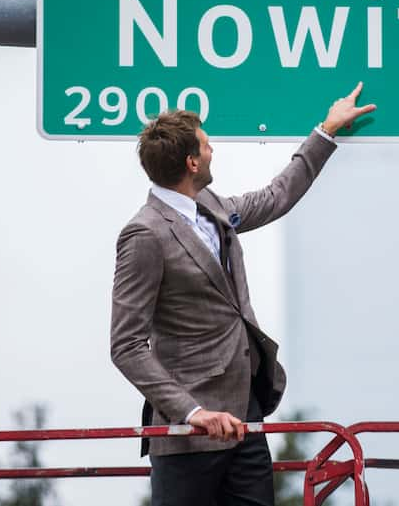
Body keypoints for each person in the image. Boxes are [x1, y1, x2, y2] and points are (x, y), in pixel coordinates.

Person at [111, 82, 375, 506]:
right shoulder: (145, 234)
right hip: (187, 438)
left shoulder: (210, 206)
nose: (214, 151)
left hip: (246, 417)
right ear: (191, 161)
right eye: (207, 146)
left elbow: (276, 197)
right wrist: (192, 413)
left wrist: (326, 132)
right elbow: (126, 346)